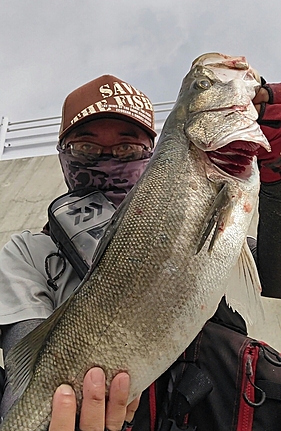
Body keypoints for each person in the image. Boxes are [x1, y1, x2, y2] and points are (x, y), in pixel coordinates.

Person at [0, 72, 281, 430]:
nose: (106, 159)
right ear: (62, 153)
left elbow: (274, 278)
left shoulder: (211, 228)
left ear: (153, 153)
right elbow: (24, 370)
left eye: (126, 149)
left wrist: (277, 185)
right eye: (86, 148)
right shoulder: (28, 252)